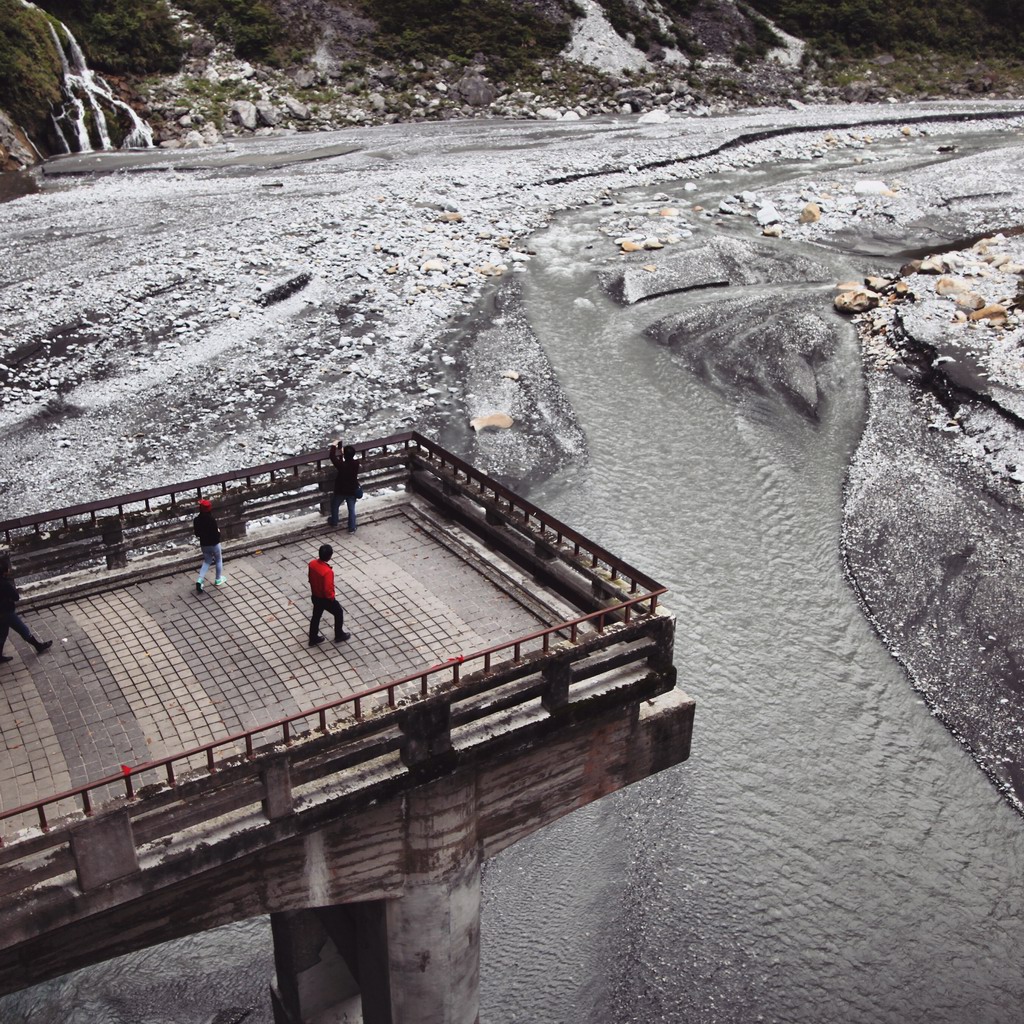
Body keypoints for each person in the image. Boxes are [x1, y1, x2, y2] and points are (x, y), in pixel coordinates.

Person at [0, 556, 52, 663]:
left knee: (2, 633)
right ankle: (38, 646)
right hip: (6, 612)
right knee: (22, 629)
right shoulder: (5, 584)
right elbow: (16, 597)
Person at [308, 544, 350, 647]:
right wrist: (332, 597)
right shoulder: (327, 572)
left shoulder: (312, 564)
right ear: (329, 556)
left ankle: (313, 637)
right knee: (339, 612)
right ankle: (339, 634)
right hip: (325, 599)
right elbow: (327, 589)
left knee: (316, 616)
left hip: (315, 595)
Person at [193, 498, 226, 594]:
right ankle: (218, 579)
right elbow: (216, 534)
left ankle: (200, 579)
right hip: (214, 544)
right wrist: (218, 532)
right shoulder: (212, 520)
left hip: (204, 544)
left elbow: (197, 534)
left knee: (207, 561)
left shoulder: (196, 520)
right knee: (218, 560)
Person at [328, 442, 362, 534]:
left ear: (344, 455)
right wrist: (344, 453)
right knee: (351, 510)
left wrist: (333, 446)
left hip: (341, 490)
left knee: (335, 505)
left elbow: (332, 456)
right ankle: (352, 527)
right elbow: (349, 459)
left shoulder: (341, 465)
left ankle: (334, 522)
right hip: (352, 490)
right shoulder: (356, 463)